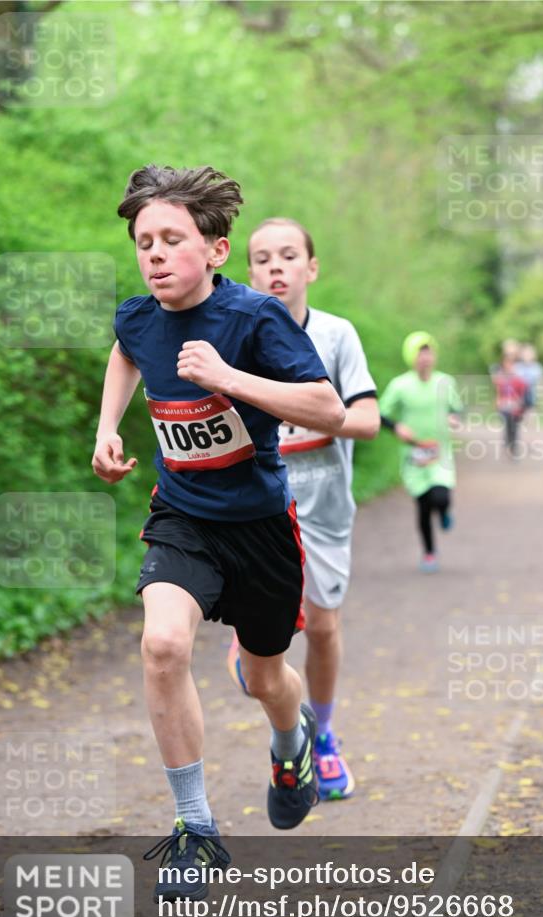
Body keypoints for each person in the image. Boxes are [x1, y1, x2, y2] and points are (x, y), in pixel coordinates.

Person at [91, 166, 345, 901]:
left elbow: (324, 409)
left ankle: (290, 745)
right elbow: (127, 349)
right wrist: (107, 428)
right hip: (184, 516)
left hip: (261, 528)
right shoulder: (137, 316)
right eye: (144, 242)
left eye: (172, 239)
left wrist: (230, 378)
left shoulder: (254, 319)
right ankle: (196, 830)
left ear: (217, 250)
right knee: (163, 643)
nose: (155, 254)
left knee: (264, 679)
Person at [227, 217, 379, 801]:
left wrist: (316, 417)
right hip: (256, 504)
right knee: (257, 667)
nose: (275, 267)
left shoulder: (336, 336)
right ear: (248, 272)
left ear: (310, 268)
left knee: (320, 626)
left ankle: (325, 734)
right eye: (262, 258)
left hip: (323, 508)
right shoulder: (233, 335)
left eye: (288, 256)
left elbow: (365, 418)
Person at [379, 332, 462, 573]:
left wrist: (454, 417)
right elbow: (381, 413)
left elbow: (457, 408)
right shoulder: (400, 385)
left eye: (429, 352)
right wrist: (396, 428)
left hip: (440, 453)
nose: (425, 358)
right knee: (423, 505)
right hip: (414, 456)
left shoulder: (445, 382)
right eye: (420, 353)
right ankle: (429, 553)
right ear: (411, 356)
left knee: (441, 497)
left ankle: (445, 511)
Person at [492, 350, 527, 458]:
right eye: (507, 363)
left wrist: (520, 403)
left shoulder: (519, 379)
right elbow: (498, 391)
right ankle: (508, 445)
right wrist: (498, 401)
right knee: (507, 427)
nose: (509, 365)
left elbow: (523, 392)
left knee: (514, 429)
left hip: (515, 408)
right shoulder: (501, 378)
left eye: (512, 363)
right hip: (505, 406)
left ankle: (513, 448)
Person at [514, 343, 543, 410]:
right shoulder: (517, 367)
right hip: (519, 396)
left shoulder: (537, 368)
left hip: (533, 395)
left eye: (529, 354)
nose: (527, 356)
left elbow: (541, 382)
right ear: (521, 355)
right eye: (525, 354)